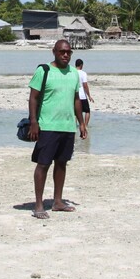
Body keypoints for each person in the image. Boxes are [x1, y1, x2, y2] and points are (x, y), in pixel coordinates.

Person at [27, 39, 87, 219]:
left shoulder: (74, 74)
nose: (66, 55)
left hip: (68, 127)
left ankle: (58, 201)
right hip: (47, 126)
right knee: (43, 164)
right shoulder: (43, 71)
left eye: (68, 52)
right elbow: (33, 98)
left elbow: (76, 100)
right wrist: (34, 122)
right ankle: (38, 205)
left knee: (62, 163)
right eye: (62, 52)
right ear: (54, 52)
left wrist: (81, 122)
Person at [74, 57, 95, 129]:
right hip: (82, 95)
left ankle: (74, 126)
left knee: (75, 112)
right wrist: (89, 96)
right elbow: (85, 85)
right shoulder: (83, 73)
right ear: (81, 65)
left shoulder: (72, 72)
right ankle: (85, 125)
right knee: (87, 111)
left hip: (74, 95)